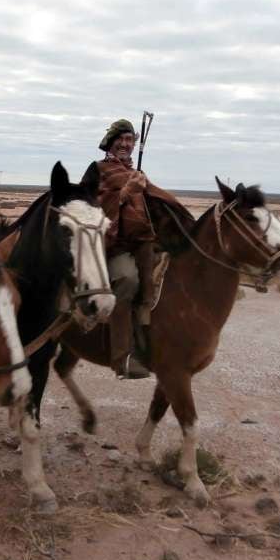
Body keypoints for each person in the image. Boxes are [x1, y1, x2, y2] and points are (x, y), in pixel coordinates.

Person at [92, 119, 160, 379]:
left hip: (140, 244)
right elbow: (97, 210)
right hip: (112, 245)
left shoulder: (136, 173)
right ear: (110, 142)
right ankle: (122, 358)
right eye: (120, 139)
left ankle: (150, 337)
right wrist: (125, 193)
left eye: (129, 140)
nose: (124, 144)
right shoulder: (99, 170)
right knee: (127, 279)